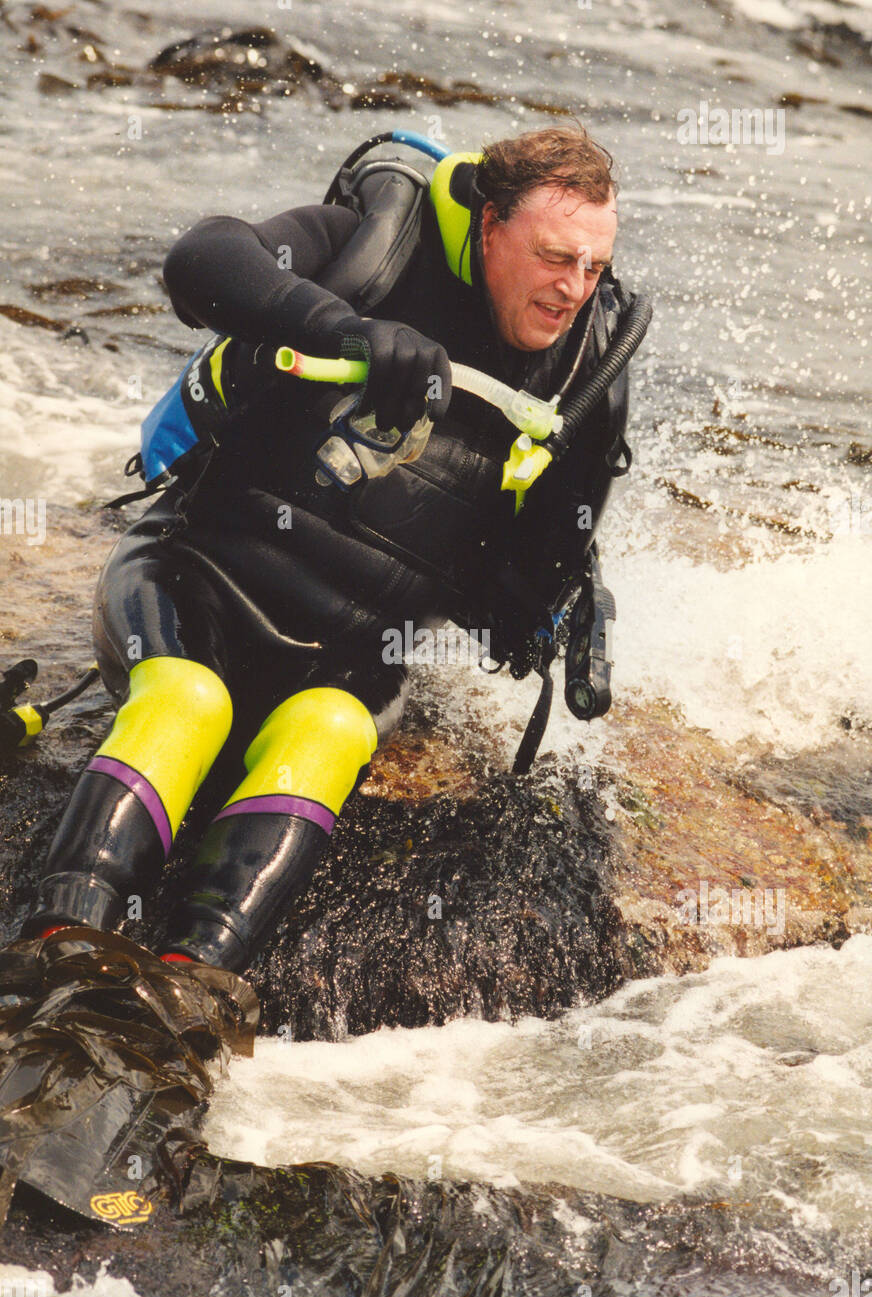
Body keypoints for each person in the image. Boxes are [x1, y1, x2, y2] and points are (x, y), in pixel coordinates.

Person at [19, 124, 640, 974]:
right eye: (555, 256)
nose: (573, 288)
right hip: (198, 576)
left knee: (331, 729)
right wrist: (341, 330)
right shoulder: (383, 238)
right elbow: (201, 259)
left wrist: (555, 593)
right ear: (491, 224)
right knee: (187, 702)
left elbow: (514, 606)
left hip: (354, 650)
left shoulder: (587, 373)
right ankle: (57, 943)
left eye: (594, 267)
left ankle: (196, 980)